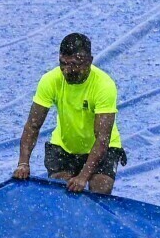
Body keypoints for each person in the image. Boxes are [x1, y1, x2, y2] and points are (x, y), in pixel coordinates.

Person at [12, 32, 125, 195]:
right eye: (63, 64)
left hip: (103, 146)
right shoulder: (50, 80)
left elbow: (102, 139)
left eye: (74, 64)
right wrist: (23, 163)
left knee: (101, 191)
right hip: (64, 147)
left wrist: (83, 176)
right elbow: (32, 125)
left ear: (89, 62)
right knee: (62, 194)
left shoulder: (104, 86)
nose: (67, 71)